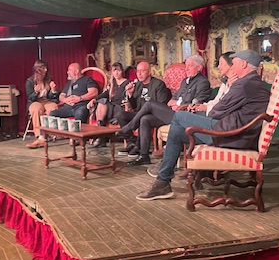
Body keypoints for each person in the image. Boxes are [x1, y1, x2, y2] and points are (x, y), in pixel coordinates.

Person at [136, 50, 270, 201]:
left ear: (244, 64)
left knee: (179, 116)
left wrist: (231, 87)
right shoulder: (253, 83)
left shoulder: (244, 84)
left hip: (232, 135)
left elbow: (216, 111)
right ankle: (163, 182)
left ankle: (165, 166)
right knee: (177, 132)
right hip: (234, 132)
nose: (232, 66)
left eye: (234, 63)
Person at [119, 55, 211, 166]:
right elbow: (171, 100)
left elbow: (197, 103)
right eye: (186, 66)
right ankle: (144, 155)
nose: (186, 69)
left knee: (149, 104)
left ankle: (130, 126)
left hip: (184, 116)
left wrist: (179, 104)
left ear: (199, 67)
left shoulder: (203, 82)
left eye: (190, 66)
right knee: (145, 119)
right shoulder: (185, 81)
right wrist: (176, 103)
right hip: (173, 112)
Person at [115, 61, 171, 156]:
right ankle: (132, 142)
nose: (139, 74)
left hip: (153, 116)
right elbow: (134, 106)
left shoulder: (158, 84)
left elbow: (161, 106)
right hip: (139, 113)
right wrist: (130, 94)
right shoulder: (138, 85)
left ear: (149, 72)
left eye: (142, 71)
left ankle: (138, 146)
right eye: (138, 71)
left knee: (143, 118)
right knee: (120, 114)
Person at [87, 62, 130, 148]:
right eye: (114, 71)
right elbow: (105, 94)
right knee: (101, 101)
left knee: (103, 103)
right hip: (111, 107)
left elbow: (128, 99)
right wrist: (94, 99)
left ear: (122, 71)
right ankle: (101, 134)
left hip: (120, 108)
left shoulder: (127, 83)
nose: (116, 73)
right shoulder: (112, 83)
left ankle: (101, 137)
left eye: (118, 70)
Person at [26, 59, 59, 149]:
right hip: (35, 101)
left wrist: (53, 90)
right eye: (43, 68)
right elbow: (31, 97)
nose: (46, 70)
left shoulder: (48, 80)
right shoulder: (30, 81)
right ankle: (39, 136)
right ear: (38, 69)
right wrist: (35, 92)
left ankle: (50, 133)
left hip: (46, 101)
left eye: (46, 68)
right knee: (36, 109)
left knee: (53, 107)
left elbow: (51, 97)